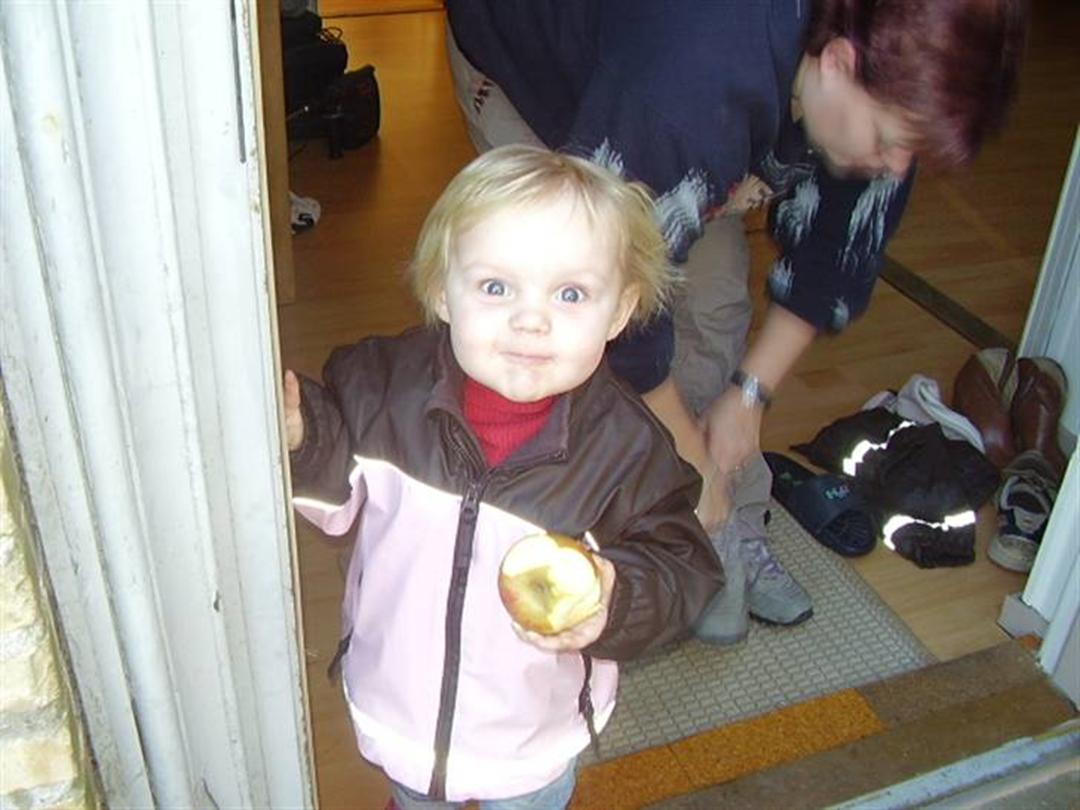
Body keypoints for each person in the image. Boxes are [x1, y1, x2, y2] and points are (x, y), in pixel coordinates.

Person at [443, 0, 1028, 642]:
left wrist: (749, 397)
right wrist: (691, 460)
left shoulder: (890, 58)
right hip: (534, 59)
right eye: (890, 142)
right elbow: (616, 310)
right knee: (551, 340)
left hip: (672, 94)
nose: (895, 165)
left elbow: (839, 250)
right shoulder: (693, 76)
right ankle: (601, 552)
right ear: (837, 63)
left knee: (715, 304)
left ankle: (710, 528)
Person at [283, 145, 723, 809]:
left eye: (570, 293)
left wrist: (616, 598)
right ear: (442, 291)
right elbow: (336, 494)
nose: (531, 318)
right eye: (496, 286)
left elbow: (685, 567)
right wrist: (304, 436)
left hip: (529, 741)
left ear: (619, 310)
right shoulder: (377, 392)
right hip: (402, 713)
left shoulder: (627, 451)